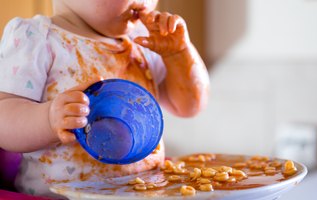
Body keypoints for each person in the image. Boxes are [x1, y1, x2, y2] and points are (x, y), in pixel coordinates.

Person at [0, 0, 209, 197]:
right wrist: (48, 119)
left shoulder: (143, 42)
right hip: (57, 196)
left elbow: (189, 106)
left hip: (144, 192)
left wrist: (178, 54)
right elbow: (4, 120)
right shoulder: (36, 38)